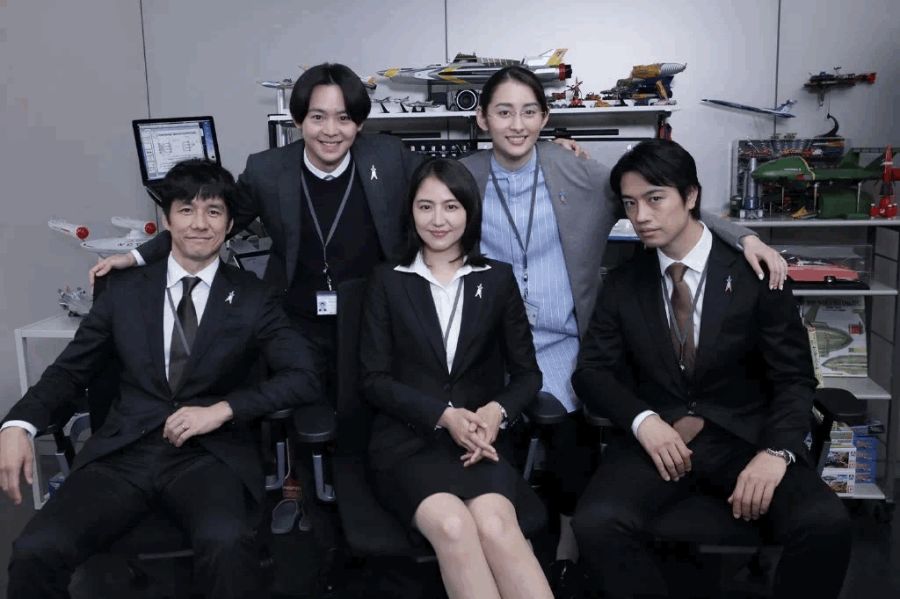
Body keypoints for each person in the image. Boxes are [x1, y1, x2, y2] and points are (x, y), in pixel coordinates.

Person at [460, 65, 789, 588]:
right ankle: (502, 545)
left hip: (565, 341)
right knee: (490, 443)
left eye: (528, 111)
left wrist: (744, 236)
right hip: (490, 341)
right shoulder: (464, 176)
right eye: (503, 112)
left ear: (545, 117)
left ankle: (567, 545)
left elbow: (664, 197)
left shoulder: (575, 171)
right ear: (482, 119)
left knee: (569, 445)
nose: (516, 124)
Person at [0, 159, 322, 599]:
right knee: (35, 550)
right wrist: (18, 424)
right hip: (124, 453)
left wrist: (223, 409)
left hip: (209, 455)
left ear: (230, 225)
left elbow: (304, 375)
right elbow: (69, 370)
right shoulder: (124, 290)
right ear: (167, 220)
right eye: (186, 210)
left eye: (213, 211)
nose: (200, 224)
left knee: (227, 544)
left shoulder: (253, 297)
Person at [571, 139, 851, 599]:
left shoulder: (756, 273)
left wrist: (777, 451)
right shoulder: (623, 282)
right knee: (595, 523)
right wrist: (643, 422)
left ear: (690, 196)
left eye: (654, 199)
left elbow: (794, 377)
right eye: (630, 203)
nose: (641, 216)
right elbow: (592, 372)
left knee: (825, 523)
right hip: (659, 439)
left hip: (744, 436)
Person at [91, 63, 423, 377]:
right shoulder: (267, 170)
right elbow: (211, 223)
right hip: (296, 319)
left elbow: (442, 194)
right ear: (298, 120)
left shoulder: (389, 157)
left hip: (370, 319)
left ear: (360, 124)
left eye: (344, 118)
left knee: (367, 405)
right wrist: (136, 257)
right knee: (300, 400)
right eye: (318, 117)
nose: (331, 131)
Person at [359, 158, 552, 599]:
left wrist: (496, 411)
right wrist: (443, 416)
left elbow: (527, 375)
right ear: (410, 212)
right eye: (425, 206)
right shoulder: (388, 280)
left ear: (469, 211)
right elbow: (373, 379)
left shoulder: (496, 279)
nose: (438, 220)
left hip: (479, 442)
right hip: (408, 443)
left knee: (497, 526)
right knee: (453, 526)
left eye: (451, 206)